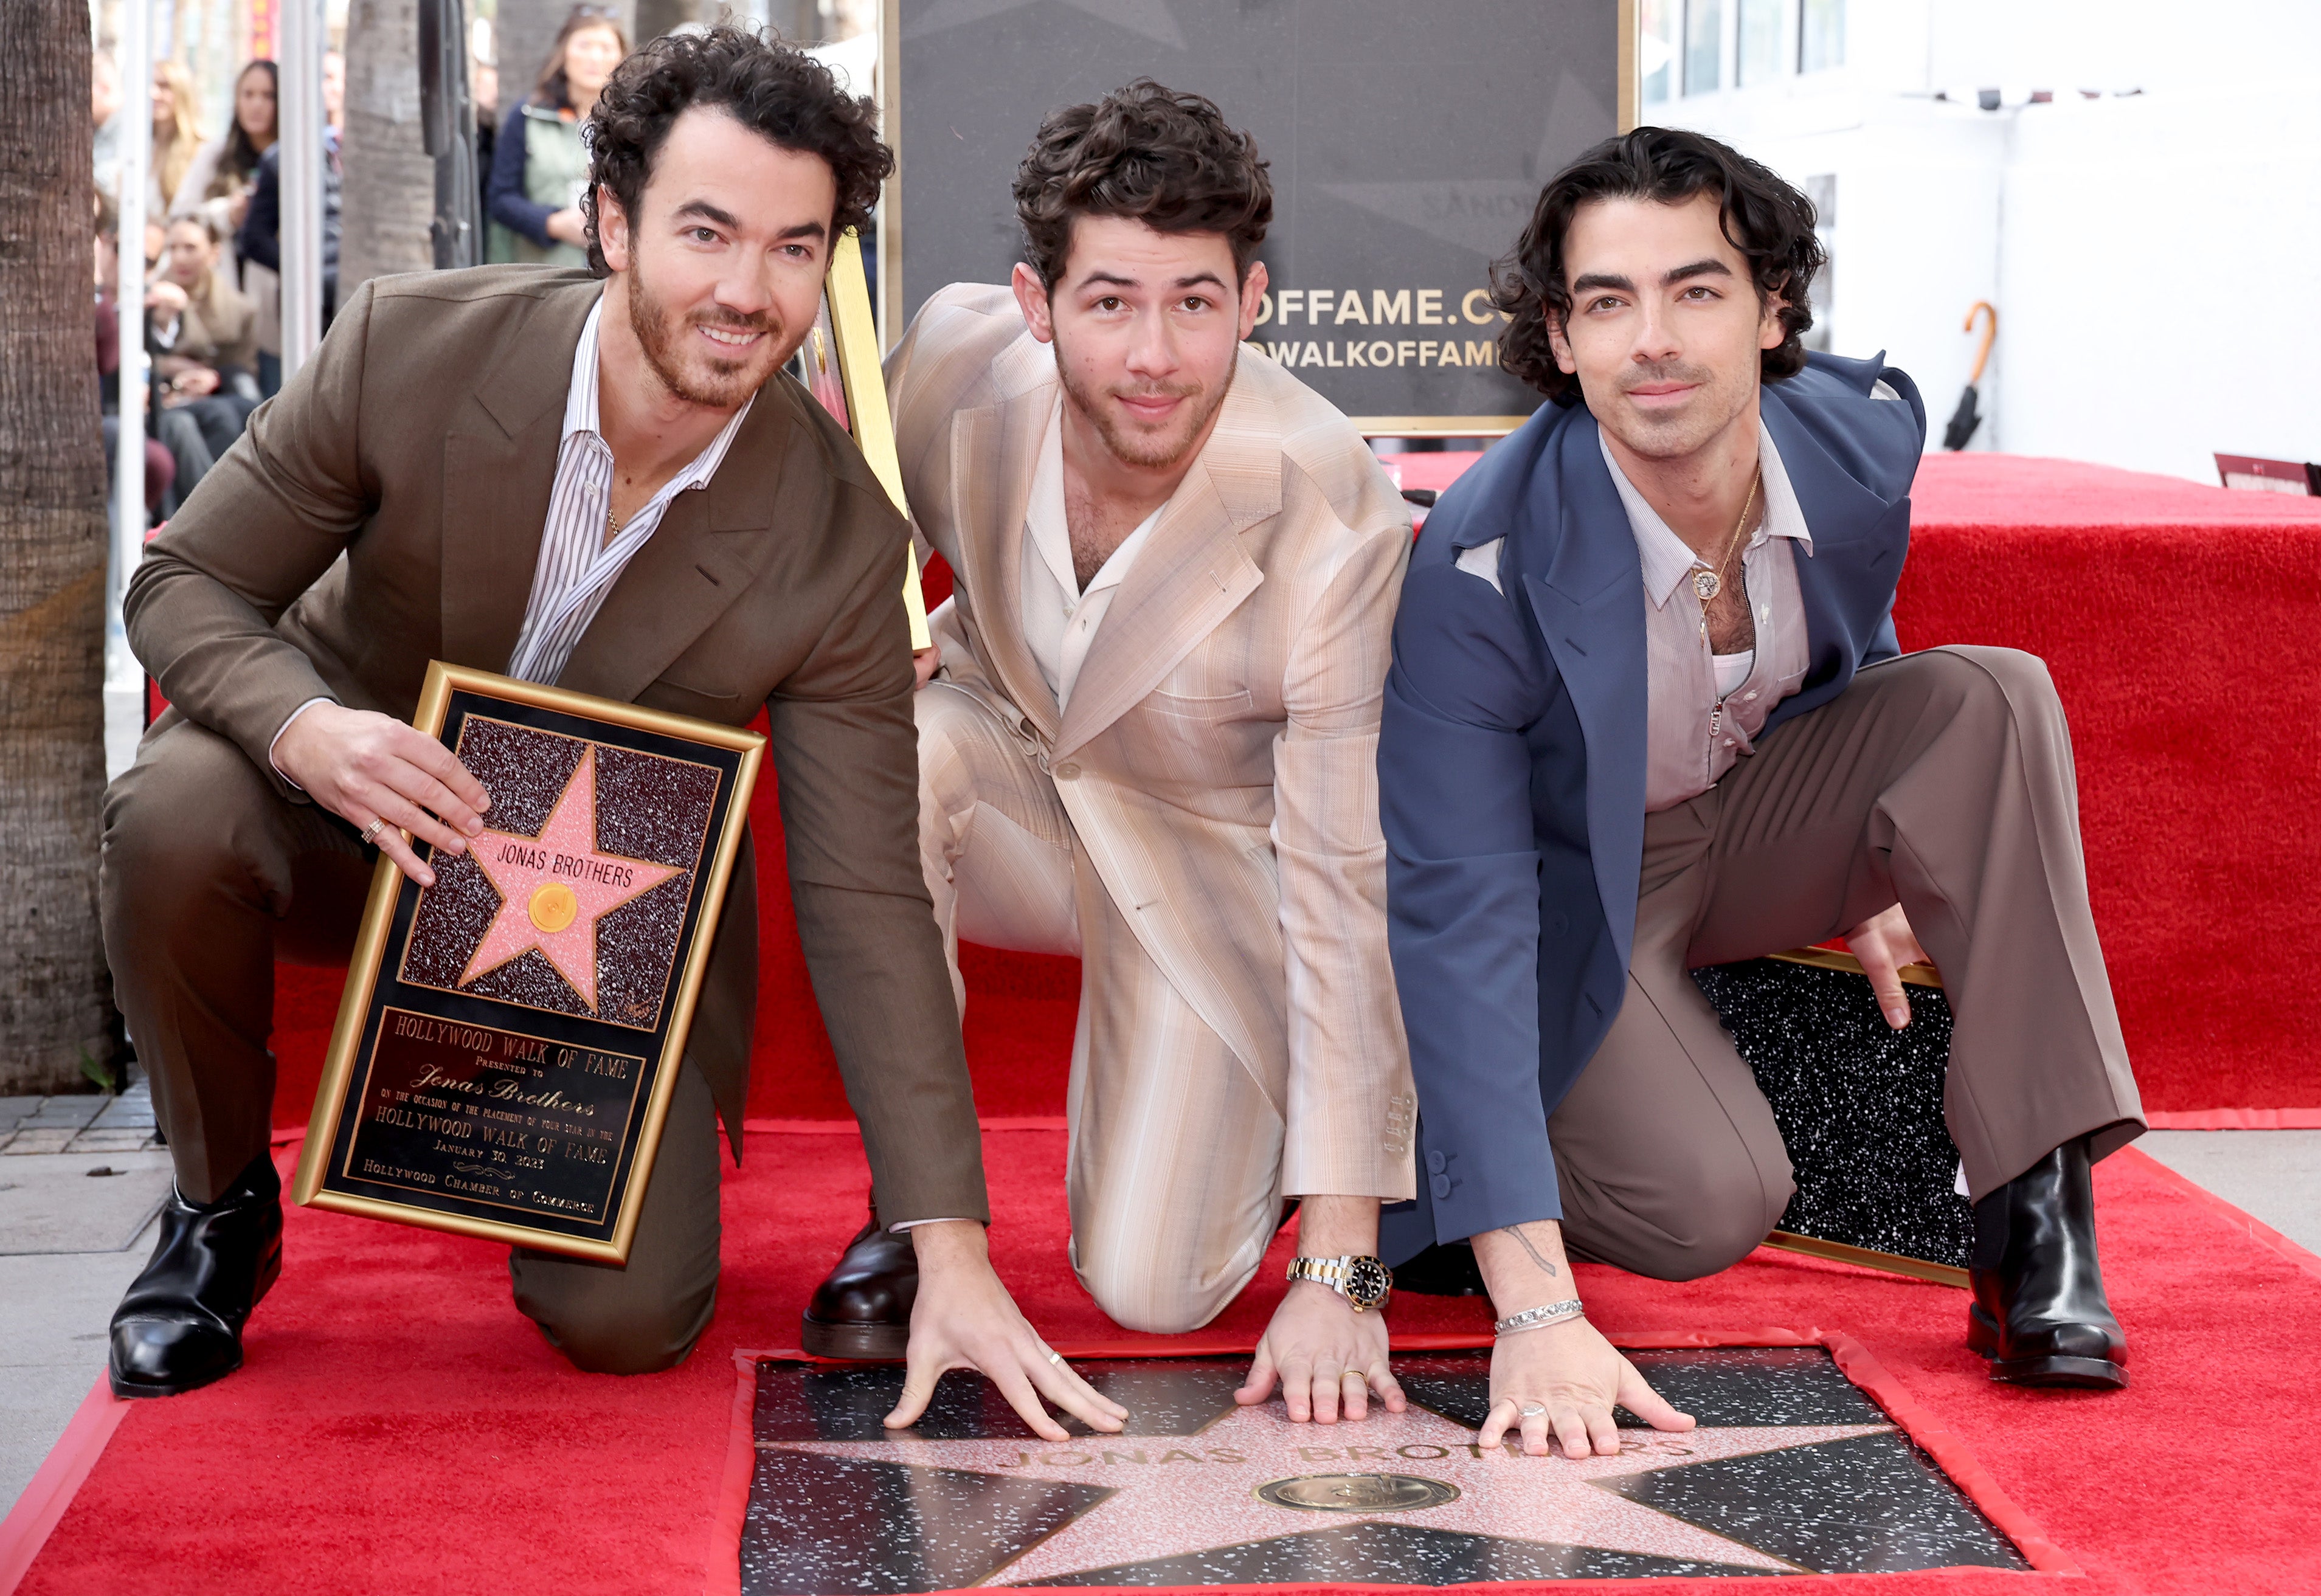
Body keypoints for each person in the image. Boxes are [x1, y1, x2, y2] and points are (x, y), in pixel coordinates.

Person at [103, 26, 1126, 1450]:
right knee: (174, 814)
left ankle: (486, 1139)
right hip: (348, 826)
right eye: (705, 232)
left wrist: (947, 1239)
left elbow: (866, 894)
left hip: (588, 937)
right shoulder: (410, 348)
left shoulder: (834, 537)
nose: (744, 290)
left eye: (792, 247)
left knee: (630, 1327)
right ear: (607, 223)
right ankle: (222, 1210)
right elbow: (183, 583)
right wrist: (312, 730)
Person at [1378, 126, 2145, 1460]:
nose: (1653, 340)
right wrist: (1535, 1291)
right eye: (1606, 301)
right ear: (1559, 338)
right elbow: (1460, 914)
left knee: (1991, 695)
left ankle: (2033, 1210)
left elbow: (1858, 648)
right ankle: (1446, 1175)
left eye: (1696, 288)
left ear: (1773, 307)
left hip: (1753, 800)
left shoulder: (1855, 444)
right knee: (1703, 1209)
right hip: (1578, 889)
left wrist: (1897, 850)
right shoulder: (1480, 562)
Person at [806, 81, 1417, 1428]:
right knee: (884, 758)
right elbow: (829, 500)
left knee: (1156, 1289)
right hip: (1006, 757)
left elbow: (1336, 882)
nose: (1155, 353)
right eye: (1110, 302)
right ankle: (909, 1214)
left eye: (1196, 303)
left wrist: (1343, 1261)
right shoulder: (956, 361)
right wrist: (859, 618)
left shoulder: (1330, 516)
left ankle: (1341, 1150)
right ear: (1035, 302)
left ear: (1252, 303)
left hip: (1209, 853)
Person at [486, 5, 627, 268]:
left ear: (621, 57)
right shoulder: (529, 116)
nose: (594, 57)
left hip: (615, 273)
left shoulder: (634, 124)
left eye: (606, 48)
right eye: (584, 45)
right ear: (564, 53)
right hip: (546, 272)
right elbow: (501, 198)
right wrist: (553, 224)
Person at [150, 214, 260, 461]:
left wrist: (213, 378)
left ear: (214, 253)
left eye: (190, 248)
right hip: (164, 393)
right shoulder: (151, 300)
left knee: (248, 408)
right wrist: (172, 368)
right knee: (219, 417)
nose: (179, 258)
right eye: (172, 248)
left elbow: (243, 369)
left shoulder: (238, 309)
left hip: (219, 391)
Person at [172, 59, 278, 306]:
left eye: (268, 95)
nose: (257, 105)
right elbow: (181, 217)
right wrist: (227, 214)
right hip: (221, 300)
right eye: (248, 94)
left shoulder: (295, 163)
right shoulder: (215, 155)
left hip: (277, 300)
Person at [150, 61, 206, 220]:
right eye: (150, 84)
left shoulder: (201, 150)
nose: (153, 93)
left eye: (164, 86)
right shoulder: (139, 149)